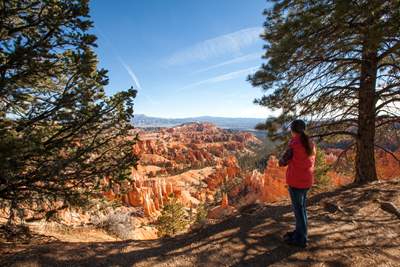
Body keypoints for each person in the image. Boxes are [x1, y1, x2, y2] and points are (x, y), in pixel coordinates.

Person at [279, 119, 316, 248]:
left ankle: (302, 239)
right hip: (307, 181)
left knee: (298, 210)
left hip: (296, 182)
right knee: (302, 208)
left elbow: (282, 162)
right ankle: (299, 232)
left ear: (293, 131)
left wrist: (282, 158)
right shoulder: (310, 143)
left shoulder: (294, 144)